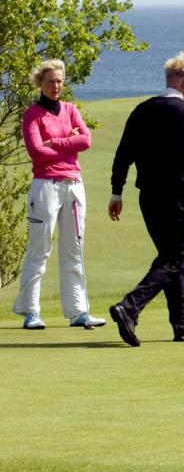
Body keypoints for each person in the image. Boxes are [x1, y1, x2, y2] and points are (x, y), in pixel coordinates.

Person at [107, 52, 184, 346]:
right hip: (177, 199)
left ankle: (182, 324)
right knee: (175, 257)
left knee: (171, 258)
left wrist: (117, 192)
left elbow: (122, 155)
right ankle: (130, 306)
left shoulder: (142, 110)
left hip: (148, 199)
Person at [12, 59, 106, 330]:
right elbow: (37, 152)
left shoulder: (70, 109)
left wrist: (58, 142)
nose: (56, 86)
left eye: (60, 81)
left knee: (73, 249)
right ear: (41, 83)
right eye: (51, 81)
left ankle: (78, 312)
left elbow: (85, 140)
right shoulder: (32, 115)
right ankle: (31, 311)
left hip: (73, 185)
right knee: (39, 249)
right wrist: (69, 143)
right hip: (46, 186)